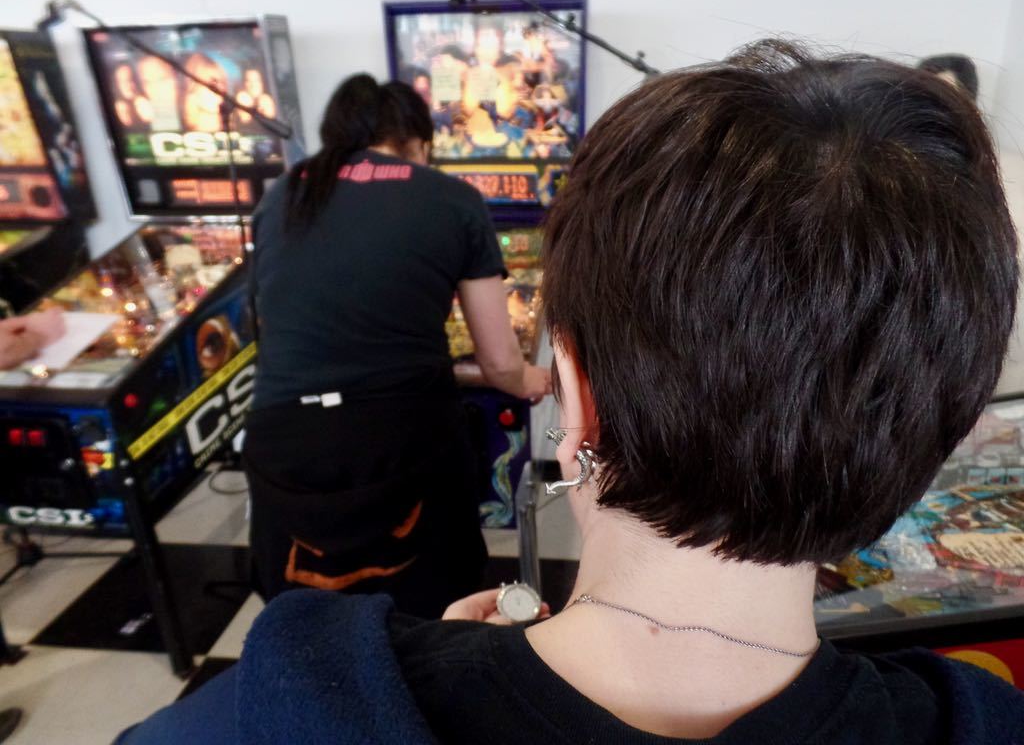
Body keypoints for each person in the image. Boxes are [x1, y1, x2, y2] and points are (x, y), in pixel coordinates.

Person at [116, 40, 1024, 744]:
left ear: (577, 395)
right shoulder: (984, 717)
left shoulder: (272, 702)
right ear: (941, 428)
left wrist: (425, 669)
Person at [242, 73, 550, 618]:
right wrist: (537, 380)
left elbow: (276, 323)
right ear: (417, 142)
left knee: (309, 615)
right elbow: (501, 363)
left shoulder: (283, 194)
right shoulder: (451, 198)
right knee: (430, 603)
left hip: (283, 441)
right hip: (400, 438)